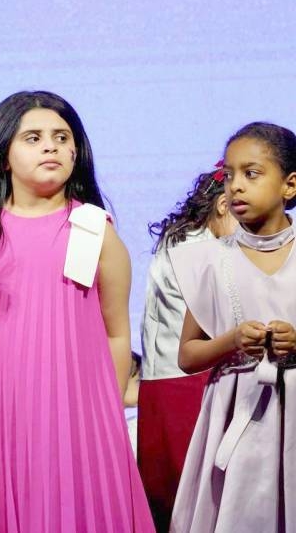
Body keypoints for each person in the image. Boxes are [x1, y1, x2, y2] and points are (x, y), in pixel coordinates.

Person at [0, 90, 153, 532]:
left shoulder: (94, 230)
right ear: (4, 156)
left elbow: (116, 333)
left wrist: (105, 417)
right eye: (33, 138)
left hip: (69, 417)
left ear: (75, 152)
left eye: (61, 137)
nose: (50, 146)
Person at [170, 122, 296, 533]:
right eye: (229, 175)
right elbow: (188, 355)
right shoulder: (210, 261)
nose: (235, 186)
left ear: (290, 185)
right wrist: (231, 340)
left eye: (251, 174)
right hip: (237, 413)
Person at [138, 166, 237, 531]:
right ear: (224, 205)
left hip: (160, 385)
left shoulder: (179, 238)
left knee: (169, 495)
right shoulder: (204, 251)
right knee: (198, 499)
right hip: (190, 385)